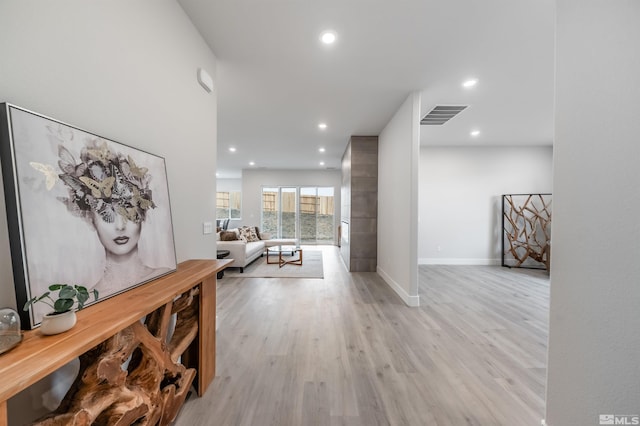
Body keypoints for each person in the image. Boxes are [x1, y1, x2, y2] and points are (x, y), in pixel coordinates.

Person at [58, 138, 170, 296]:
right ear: (91, 220)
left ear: (142, 213)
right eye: (106, 214)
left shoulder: (165, 276)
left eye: (128, 211)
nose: (120, 226)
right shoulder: (88, 300)